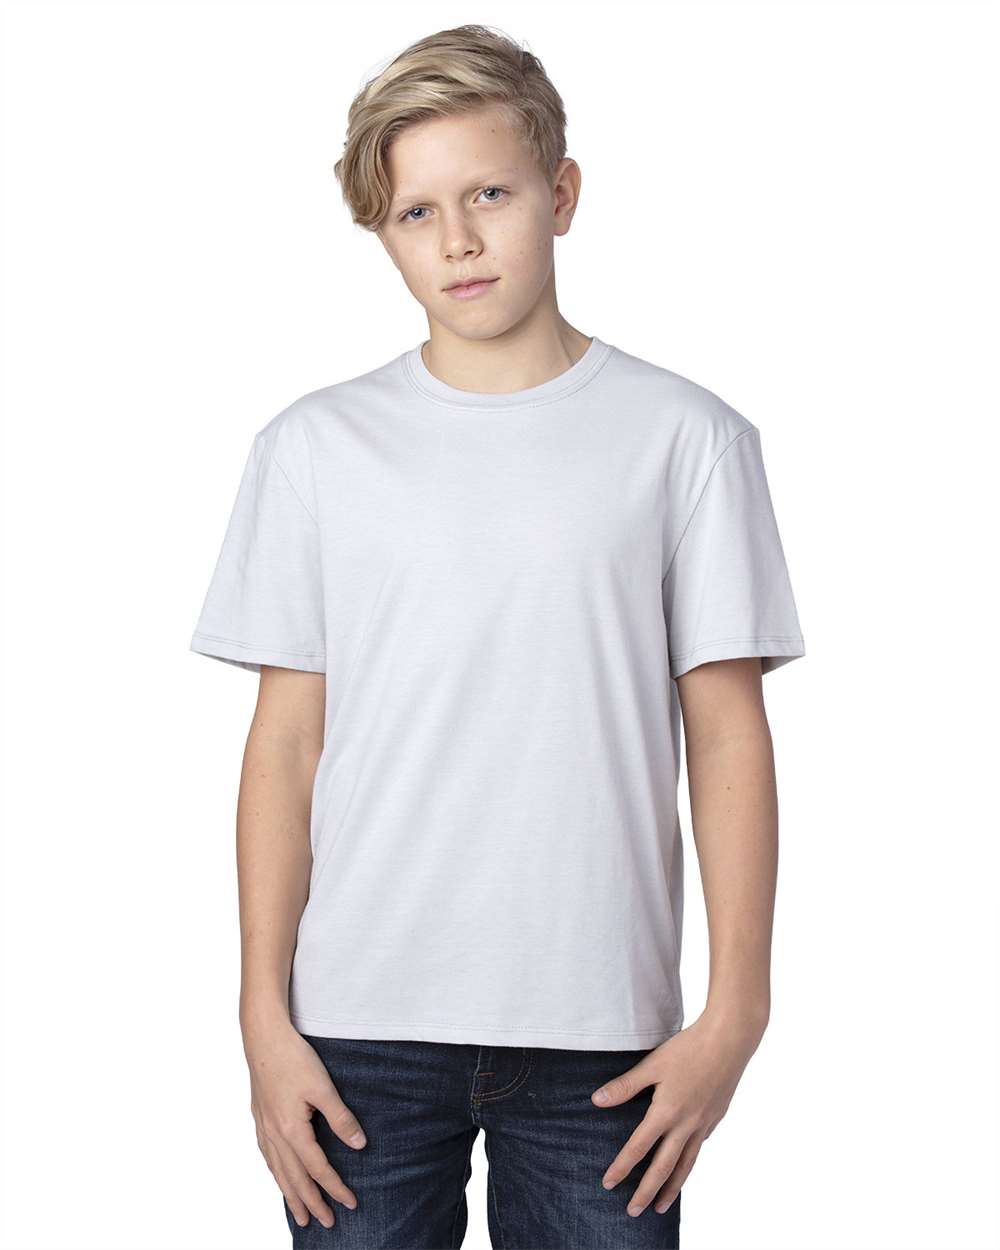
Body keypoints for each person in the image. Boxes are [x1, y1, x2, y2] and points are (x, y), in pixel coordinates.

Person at [189, 23, 806, 1250]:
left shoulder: (686, 439)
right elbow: (286, 747)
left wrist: (735, 1010)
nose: (457, 240)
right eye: (415, 212)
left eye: (489, 194)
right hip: (356, 1031)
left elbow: (728, 735)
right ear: (381, 232)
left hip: (605, 1038)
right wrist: (262, 1015)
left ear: (560, 194)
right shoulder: (312, 449)